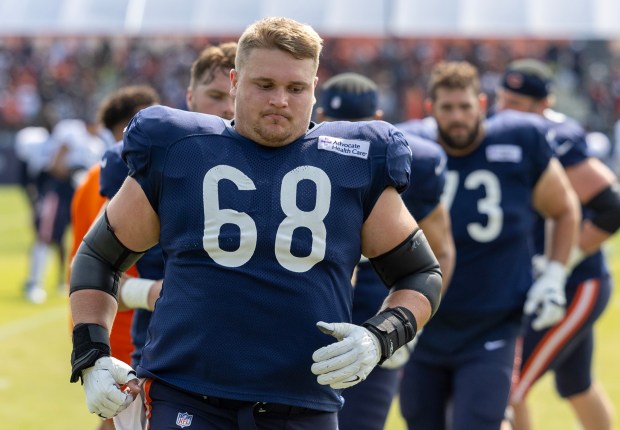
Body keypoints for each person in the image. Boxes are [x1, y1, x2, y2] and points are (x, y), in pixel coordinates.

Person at [68, 17, 442, 430]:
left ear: (315, 87)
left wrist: (380, 335)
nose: (280, 100)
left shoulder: (353, 161)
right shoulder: (180, 150)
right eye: (265, 85)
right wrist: (91, 355)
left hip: (303, 402)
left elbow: (420, 273)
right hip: (188, 393)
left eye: (296, 88)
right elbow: (98, 257)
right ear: (235, 81)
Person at [398, 61, 580, 430]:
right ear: (431, 109)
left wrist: (555, 273)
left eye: (465, 106)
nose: (458, 117)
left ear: (482, 104)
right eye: (447, 108)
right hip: (427, 322)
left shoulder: (518, 137)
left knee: (478, 421)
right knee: (419, 419)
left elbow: (564, 209)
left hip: (493, 321)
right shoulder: (412, 149)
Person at [315, 72, 455, 430]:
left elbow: (438, 254)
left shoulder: (415, 162)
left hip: (376, 309)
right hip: (312, 306)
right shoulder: (297, 156)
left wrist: (407, 327)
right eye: (333, 124)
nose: (343, 135)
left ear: (377, 123)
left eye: (356, 125)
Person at [496, 58, 619, 430]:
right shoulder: (501, 131)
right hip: (539, 283)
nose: (507, 111)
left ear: (542, 105)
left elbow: (611, 207)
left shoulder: (557, 138)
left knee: (506, 387)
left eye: (517, 105)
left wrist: (561, 263)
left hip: (572, 285)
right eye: (504, 100)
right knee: (577, 385)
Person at [68, 84, 161, 430]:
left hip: (108, 320)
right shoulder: (111, 181)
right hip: (122, 326)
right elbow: (94, 260)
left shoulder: (90, 180)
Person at [23, 112, 110, 303]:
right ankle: (33, 283)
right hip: (60, 191)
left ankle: (73, 282)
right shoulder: (73, 132)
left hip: (82, 194)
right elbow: (56, 164)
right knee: (46, 235)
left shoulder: (98, 143)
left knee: (85, 239)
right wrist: (72, 173)